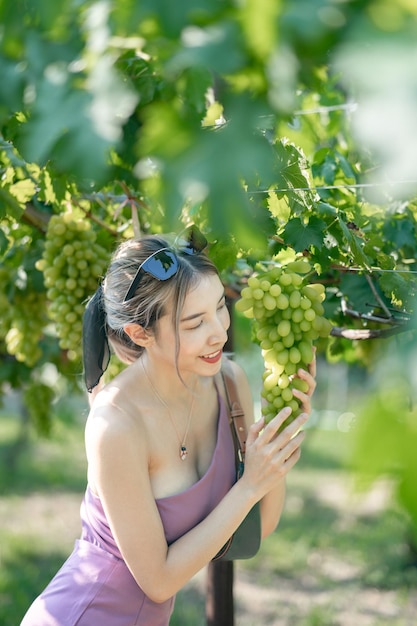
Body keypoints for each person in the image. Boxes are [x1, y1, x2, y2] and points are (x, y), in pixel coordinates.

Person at [21, 225, 316, 626]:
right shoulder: (116, 423)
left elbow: (257, 527)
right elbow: (157, 581)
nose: (219, 332)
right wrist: (248, 485)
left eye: (219, 307)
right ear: (141, 333)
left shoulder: (229, 384)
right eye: (194, 324)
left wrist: (281, 433)